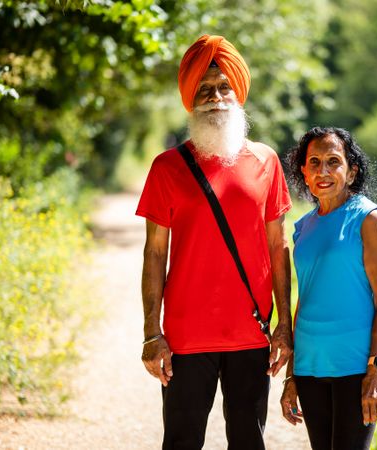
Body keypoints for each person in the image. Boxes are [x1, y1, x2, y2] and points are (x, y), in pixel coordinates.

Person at [135, 34, 293, 450]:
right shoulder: (167, 167)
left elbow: (279, 249)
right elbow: (154, 254)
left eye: (224, 86)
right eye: (205, 89)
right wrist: (153, 332)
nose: (216, 96)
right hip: (186, 336)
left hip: (252, 332)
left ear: (237, 93)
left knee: (248, 441)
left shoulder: (266, 161)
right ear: (191, 99)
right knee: (182, 441)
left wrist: (285, 328)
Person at [280, 127, 377, 450]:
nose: (324, 171)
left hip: (355, 369)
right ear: (303, 172)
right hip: (309, 368)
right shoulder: (303, 227)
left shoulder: (369, 219)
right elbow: (305, 299)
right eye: (314, 162)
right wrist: (291, 375)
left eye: (334, 162)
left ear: (352, 170)